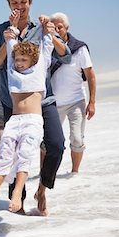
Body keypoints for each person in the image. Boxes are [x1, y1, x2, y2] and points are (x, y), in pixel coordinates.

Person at [0, 0, 72, 215]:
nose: (19, 7)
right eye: (15, 3)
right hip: (11, 103)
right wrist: (7, 40)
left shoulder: (40, 28)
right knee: (12, 152)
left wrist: (51, 33)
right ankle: (18, 203)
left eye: (23, 2)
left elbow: (66, 57)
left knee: (56, 146)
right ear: (8, 3)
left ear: (30, 2)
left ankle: (42, 189)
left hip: (43, 100)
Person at [0, 13, 54, 213]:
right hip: (14, 119)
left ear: (32, 60)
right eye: (18, 59)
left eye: (23, 60)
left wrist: (46, 26)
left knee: (25, 153)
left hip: (33, 121)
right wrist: (12, 27)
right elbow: (11, 42)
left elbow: (47, 45)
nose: (19, 62)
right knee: (5, 153)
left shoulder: (40, 67)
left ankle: (17, 193)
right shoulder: (12, 70)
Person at [49, 12, 96, 173]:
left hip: (76, 101)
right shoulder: (47, 47)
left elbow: (90, 76)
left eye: (59, 27)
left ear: (67, 28)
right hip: (54, 103)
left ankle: (74, 173)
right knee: (50, 142)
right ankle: (47, 174)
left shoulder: (79, 48)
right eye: (53, 27)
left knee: (77, 139)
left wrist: (92, 102)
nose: (56, 30)